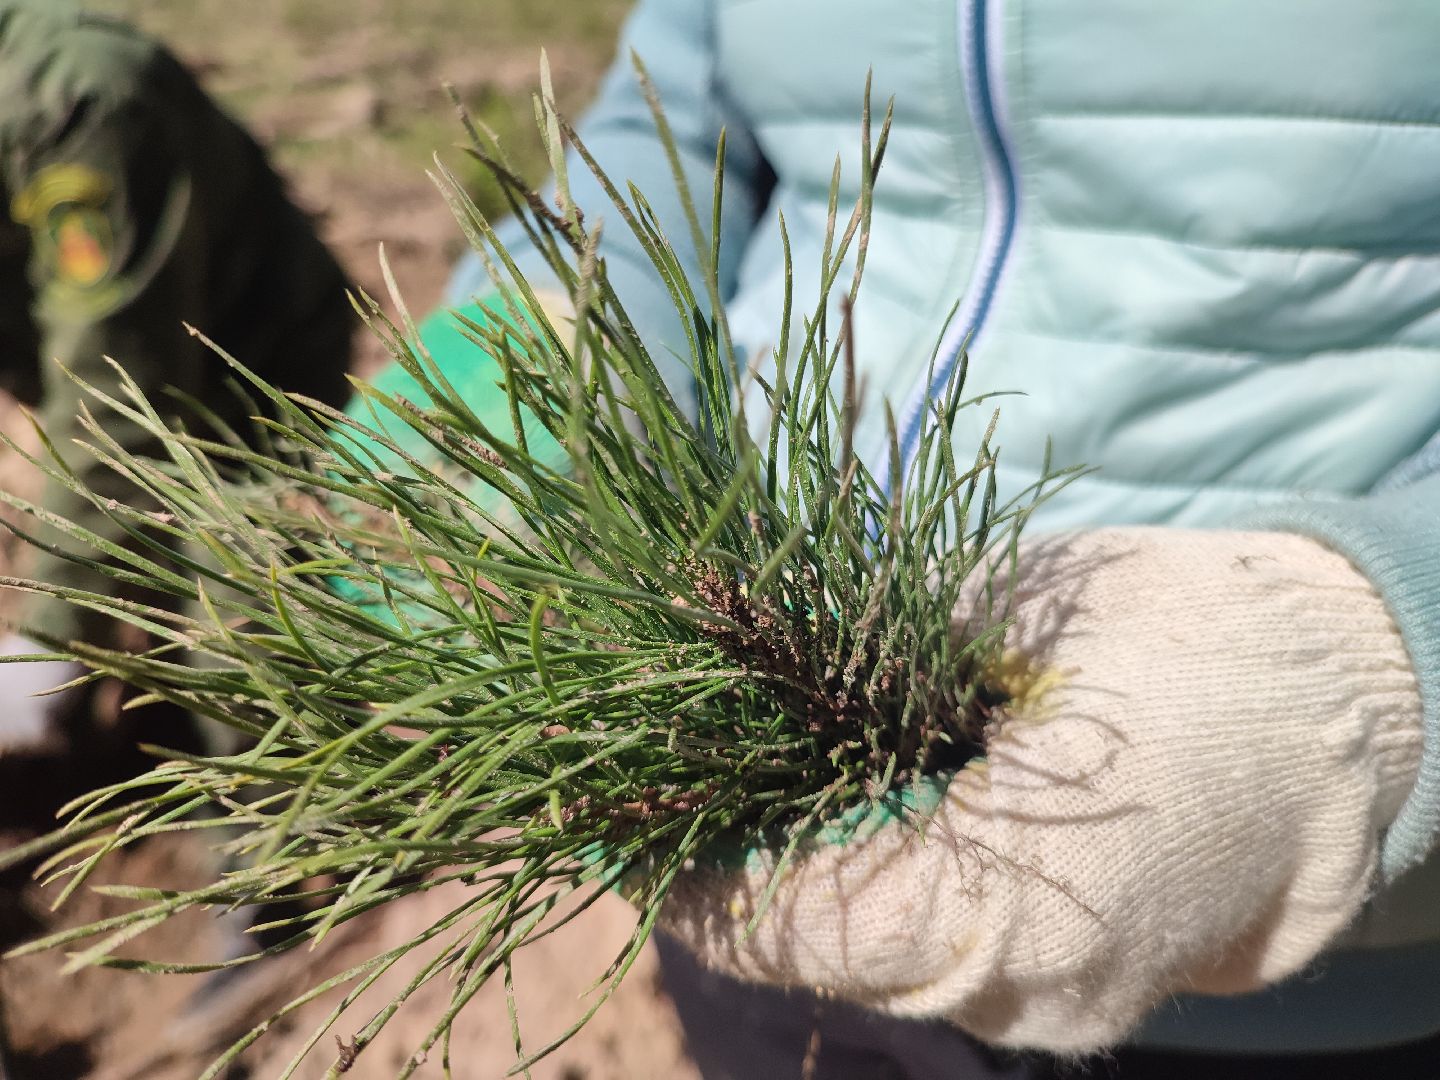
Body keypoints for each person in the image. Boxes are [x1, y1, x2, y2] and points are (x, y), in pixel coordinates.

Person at [419, 2, 1440, 1077]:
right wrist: (561, 322)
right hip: (759, 864)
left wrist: (1366, 654)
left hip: (1298, 951)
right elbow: (680, 92)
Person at [0, 1, 353, 788]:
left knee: (240, 628)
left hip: (252, 373)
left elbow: (120, 394)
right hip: (93, 358)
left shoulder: (82, 100)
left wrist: (50, 644)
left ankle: (271, 875)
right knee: (120, 552)